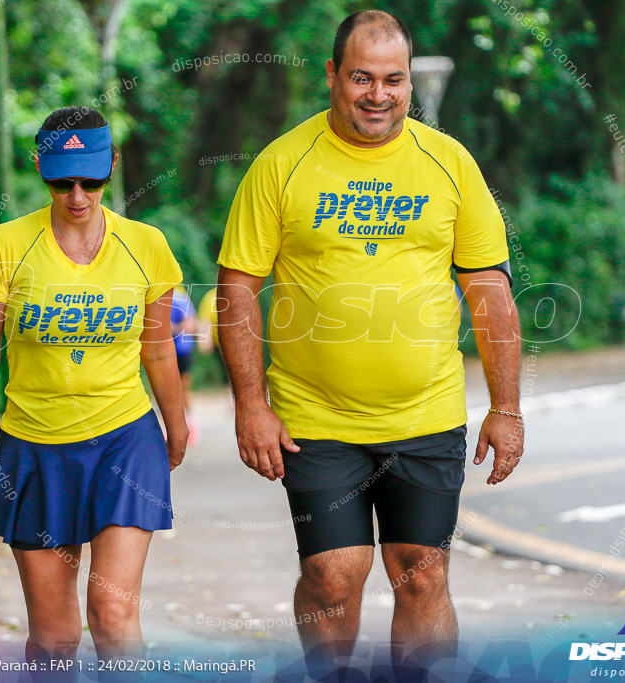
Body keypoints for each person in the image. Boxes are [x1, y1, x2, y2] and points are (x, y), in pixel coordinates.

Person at [216, 10, 523, 674]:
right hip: (316, 417)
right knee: (334, 572)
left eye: (394, 80)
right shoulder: (282, 163)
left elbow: (490, 292)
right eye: (362, 78)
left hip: (426, 412)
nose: (378, 95)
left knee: (421, 571)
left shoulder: (449, 165)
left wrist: (506, 407)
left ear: (409, 82)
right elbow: (237, 288)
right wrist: (250, 403)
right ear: (333, 76)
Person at [0, 106, 188, 668]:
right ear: (39, 169)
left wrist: (177, 423)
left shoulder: (147, 245)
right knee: (53, 639)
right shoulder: (7, 244)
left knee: (113, 617)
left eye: (91, 180)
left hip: (125, 439)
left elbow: (158, 346)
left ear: (113, 166)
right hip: (34, 448)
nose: (77, 195)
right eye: (62, 181)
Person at [170, 285, 200, 444]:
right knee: (165, 389)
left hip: (181, 350)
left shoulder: (179, 298)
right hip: (162, 351)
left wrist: (169, 329)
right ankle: (169, 427)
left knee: (183, 389)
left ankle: (191, 425)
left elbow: (191, 325)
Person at [196, 286, 229, 387]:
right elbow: (206, 320)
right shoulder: (212, 297)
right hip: (221, 344)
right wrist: (204, 340)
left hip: (238, 342)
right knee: (230, 373)